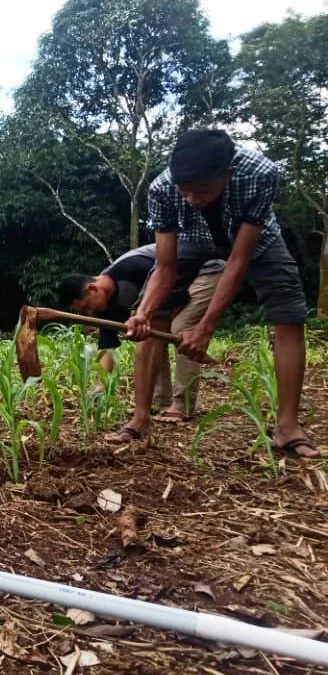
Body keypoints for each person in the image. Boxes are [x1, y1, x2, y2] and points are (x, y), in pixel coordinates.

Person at [123, 128, 319, 457]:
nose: (192, 199)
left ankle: (287, 428)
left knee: (289, 316)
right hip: (193, 239)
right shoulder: (161, 188)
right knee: (150, 313)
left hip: (258, 242)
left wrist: (205, 327)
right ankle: (140, 419)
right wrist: (142, 313)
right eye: (185, 192)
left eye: (201, 191)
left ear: (228, 174)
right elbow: (166, 266)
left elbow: (239, 259)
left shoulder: (260, 173)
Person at [59, 244, 224, 424]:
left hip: (205, 269)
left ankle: (182, 405)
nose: (89, 312)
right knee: (150, 335)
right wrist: (101, 385)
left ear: (92, 288)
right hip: (175, 288)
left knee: (181, 329)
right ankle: (160, 400)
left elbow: (172, 284)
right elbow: (107, 346)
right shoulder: (105, 307)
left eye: (86, 307)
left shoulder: (133, 268)